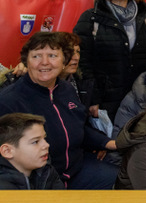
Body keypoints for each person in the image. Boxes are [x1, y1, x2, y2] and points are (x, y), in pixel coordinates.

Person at [0, 32, 117, 189]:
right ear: (26, 62)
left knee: (122, 179)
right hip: (40, 180)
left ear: (64, 62)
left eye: (52, 55)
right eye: (36, 56)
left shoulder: (67, 89)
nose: (44, 62)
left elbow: (78, 127)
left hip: (77, 170)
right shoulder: (9, 100)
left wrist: (107, 143)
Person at [73, 0, 146, 121]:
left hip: (141, 97)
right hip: (105, 100)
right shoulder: (90, 18)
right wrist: (92, 98)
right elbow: (82, 61)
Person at [0, 113, 64, 190]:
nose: (46, 145)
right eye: (35, 142)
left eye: (44, 139)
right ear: (7, 151)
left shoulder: (47, 172)